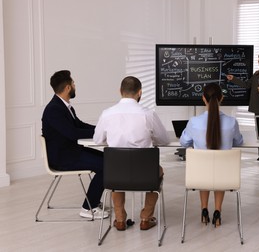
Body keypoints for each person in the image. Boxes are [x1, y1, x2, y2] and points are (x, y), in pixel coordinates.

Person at [93, 76, 169, 231]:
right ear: (140, 92)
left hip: (116, 173)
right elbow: (164, 139)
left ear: (120, 91)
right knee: (159, 171)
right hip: (144, 173)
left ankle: (120, 219)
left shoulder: (107, 113)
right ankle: (146, 217)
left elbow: (98, 140)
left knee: (117, 169)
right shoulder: (148, 114)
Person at [41, 70, 108, 219]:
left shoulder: (63, 106)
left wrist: (101, 129)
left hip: (72, 152)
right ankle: (88, 208)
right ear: (67, 88)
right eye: (73, 83)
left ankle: (93, 201)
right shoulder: (54, 109)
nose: (74, 85)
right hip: (63, 158)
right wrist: (99, 133)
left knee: (109, 159)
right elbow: (72, 133)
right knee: (107, 165)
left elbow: (79, 125)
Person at [180, 83, 243, 227]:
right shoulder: (232, 122)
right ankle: (217, 212)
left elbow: (184, 142)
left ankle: (204, 211)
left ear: (203, 98)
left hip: (200, 175)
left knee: (205, 170)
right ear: (222, 98)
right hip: (224, 175)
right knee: (218, 172)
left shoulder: (194, 122)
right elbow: (239, 141)